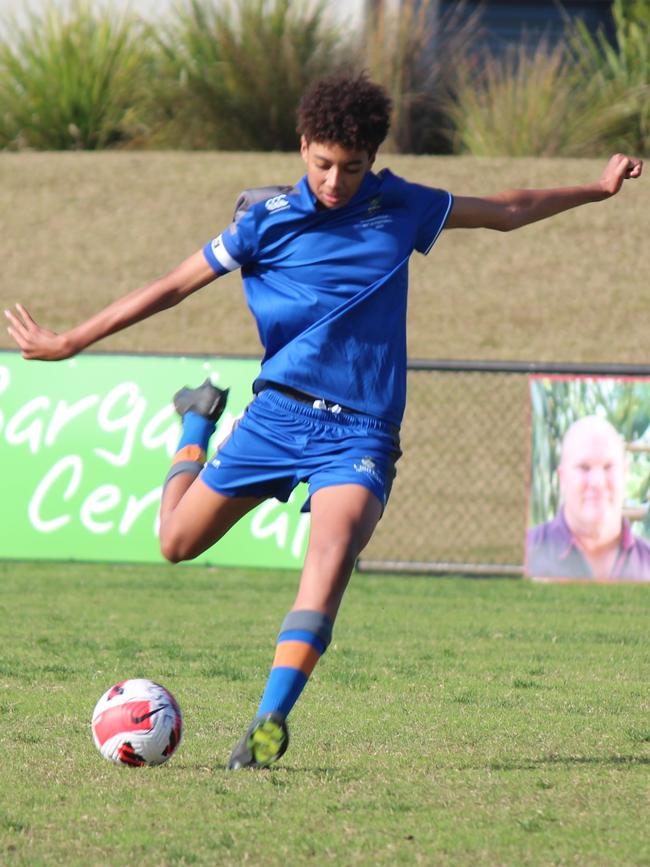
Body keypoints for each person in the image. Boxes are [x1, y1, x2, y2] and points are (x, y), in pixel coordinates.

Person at [5, 72, 644, 768]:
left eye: (352, 166)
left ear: (372, 156)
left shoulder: (400, 205)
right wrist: (70, 341)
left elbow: (509, 209)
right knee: (174, 542)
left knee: (331, 555)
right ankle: (198, 420)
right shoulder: (263, 221)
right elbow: (168, 288)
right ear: (303, 145)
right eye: (323, 164)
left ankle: (266, 726)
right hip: (276, 416)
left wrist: (597, 188)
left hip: (361, 433)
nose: (336, 180)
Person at [527, 415, 650, 582]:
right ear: (563, 479)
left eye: (608, 467)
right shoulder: (524, 556)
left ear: (624, 474)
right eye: (584, 467)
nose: (597, 482)